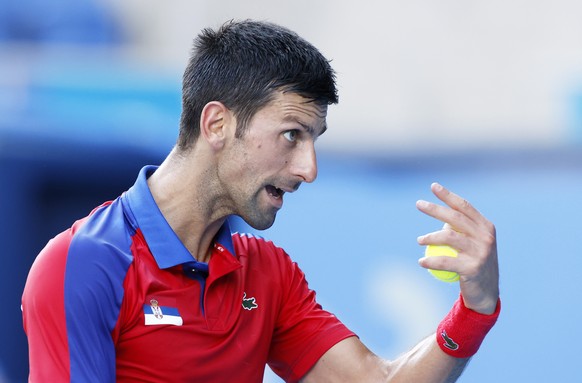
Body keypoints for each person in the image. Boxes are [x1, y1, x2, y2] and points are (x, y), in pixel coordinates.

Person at [21, 19, 500, 382]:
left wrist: (475, 309)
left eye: (314, 140)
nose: (308, 169)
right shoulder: (82, 264)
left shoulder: (266, 273)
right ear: (216, 124)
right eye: (291, 135)